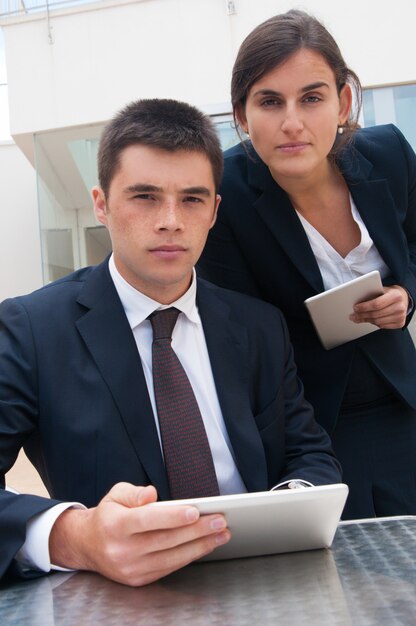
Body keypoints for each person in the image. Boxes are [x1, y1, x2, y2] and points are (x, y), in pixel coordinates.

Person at [0, 98, 341, 586]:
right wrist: (76, 537)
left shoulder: (259, 327)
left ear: (214, 211)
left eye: (192, 199)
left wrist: (288, 503)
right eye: (144, 197)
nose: (170, 221)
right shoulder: (33, 328)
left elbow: (310, 452)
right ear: (101, 204)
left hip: (266, 586)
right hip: (115, 601)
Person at [198, 9, 416, 520]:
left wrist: (408, 295)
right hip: (311, 425)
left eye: (312, 98)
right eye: (269, 102)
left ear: (342, 102)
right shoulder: (222, 194)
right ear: (241, 115)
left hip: (403, 400)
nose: (292, 123)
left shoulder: (389, 155)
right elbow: (240, 332)